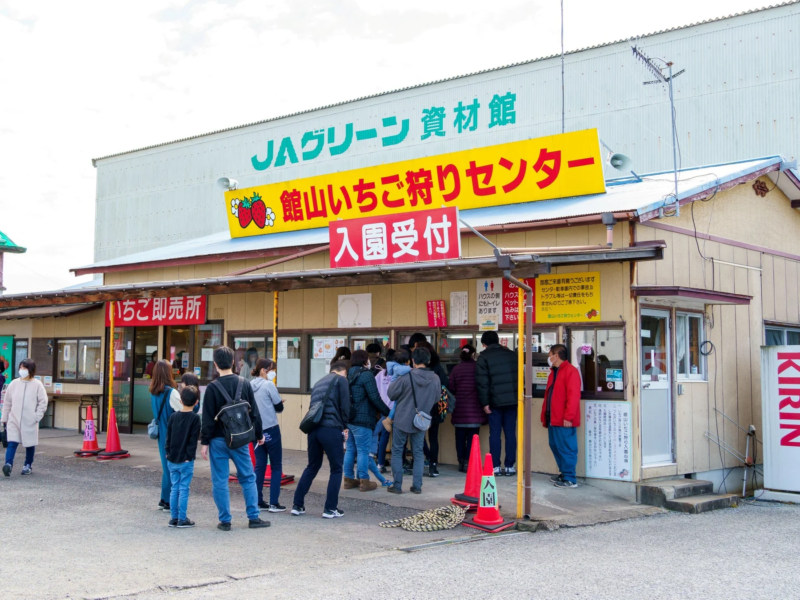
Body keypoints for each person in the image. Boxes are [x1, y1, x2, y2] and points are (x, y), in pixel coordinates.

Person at [200, 346, 270, 530]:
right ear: (232, 362)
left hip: (217, 440)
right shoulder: (244, 383)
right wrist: (259, 435)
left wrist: (204, 442)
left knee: (220, 480)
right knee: (248, 477)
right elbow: (254, 413)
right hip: (240, 439)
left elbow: (207, 418)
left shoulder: (212, 388)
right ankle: (253, 517)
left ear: (215, 364)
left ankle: (225, 521)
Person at [292, 361, 351, 518]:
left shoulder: (318, 382)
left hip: (314, 429)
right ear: (343, 371)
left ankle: (297, 505)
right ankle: (330, 508)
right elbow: (345, 406)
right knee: (337, 468)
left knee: (312, 466)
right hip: (331, 429)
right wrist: (345, 426)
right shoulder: (341, 380)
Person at [387, 347, 440, 494]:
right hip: (421, 420)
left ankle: (397, 486)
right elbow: (436, 398)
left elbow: (391, 394)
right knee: (418, 453)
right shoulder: (435, 378)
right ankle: (417, 486)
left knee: (397, 451)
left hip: (401, 419)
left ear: (413, 361)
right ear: (428, 361)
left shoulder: (406, 377)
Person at [343, 350, 390, 492]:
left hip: (349, 418)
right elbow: (375, 397)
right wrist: (387, 413)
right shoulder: (367, 375)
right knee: (363, 451)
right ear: (365, 360)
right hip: (363, 419)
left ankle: (348, 480)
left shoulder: (347, 373)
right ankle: (364, 481)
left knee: (350, 449)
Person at [476, 331, 519, 476]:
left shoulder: (483, 358)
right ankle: (510, 466)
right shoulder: (513, 355)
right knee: (510, 433)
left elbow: (483, 383)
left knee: (494, 433)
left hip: (494, 402)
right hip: (512, 401)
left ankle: (495, 466)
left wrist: (485, 402)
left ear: (484, 344)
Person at [543, 344, 581, 489]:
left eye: (550, 354)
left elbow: (573, 396)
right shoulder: (555, 371)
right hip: (553, 418)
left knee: (567, 447)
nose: (549, 357)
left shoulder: (570, 371)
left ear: (556, 355)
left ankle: (570, 478)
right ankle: (564, 473)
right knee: (555, 445)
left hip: (564, 419)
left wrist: (569, 416)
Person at [1, 359, 47, 477]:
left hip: (30, 420)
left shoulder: (37, 385)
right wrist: (4, 419)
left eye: (24, 368)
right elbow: (7, 403)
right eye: (21, 368)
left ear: (30, 370)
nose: (22, 370)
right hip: (14, 419)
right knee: (12, 442)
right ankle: (8, 465)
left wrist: (36, 417)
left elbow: (43, 402)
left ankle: (28, 465)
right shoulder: (14, 383)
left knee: (30, 444)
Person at [251, 358, 286, 511]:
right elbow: (279, 407)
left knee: (259, 465)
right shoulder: (269, 385)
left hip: (255, 432)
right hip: (271, 429)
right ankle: (274, 503)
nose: (273, 373)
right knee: (276, 465)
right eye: (272, 369)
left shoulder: (249, 385)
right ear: (264, 370)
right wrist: (277, 403)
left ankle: (258, 500)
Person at [165, 385, 202, 528]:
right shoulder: (195, 419)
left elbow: (168, 438)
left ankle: (174, 518)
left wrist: (168, 452)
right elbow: (193, 441)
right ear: (196, 402)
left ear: (180, 401)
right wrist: (189, 456)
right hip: (186, 460)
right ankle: (182, 518)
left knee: (175, 487)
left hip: (172, 458)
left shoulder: (173, 417)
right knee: (184, 488)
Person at [150, 360, 182, 510]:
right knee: (172, 467)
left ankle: (164, 498)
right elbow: (183, 410)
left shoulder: (153, 392)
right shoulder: (171, 392)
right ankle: (169, 500)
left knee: (166, 466)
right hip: (172, 434)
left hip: (161, 434)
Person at [449, 344, 487, 472]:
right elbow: (483, 386)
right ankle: (469, 464)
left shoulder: (456, 369)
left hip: (459, 409)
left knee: (459, 438)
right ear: (473, 354)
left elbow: (451, 388)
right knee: (473, 438)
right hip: (474, 411)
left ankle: (461, 462)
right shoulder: (478, 368)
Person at [416, 340, 448, 477]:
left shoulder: (416, 369)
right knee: (434, 437)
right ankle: (433, 466)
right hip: (435, 406)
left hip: (419, 406)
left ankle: (421, 463)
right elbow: (446, 383)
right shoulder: (437, 367)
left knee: (418, 436)